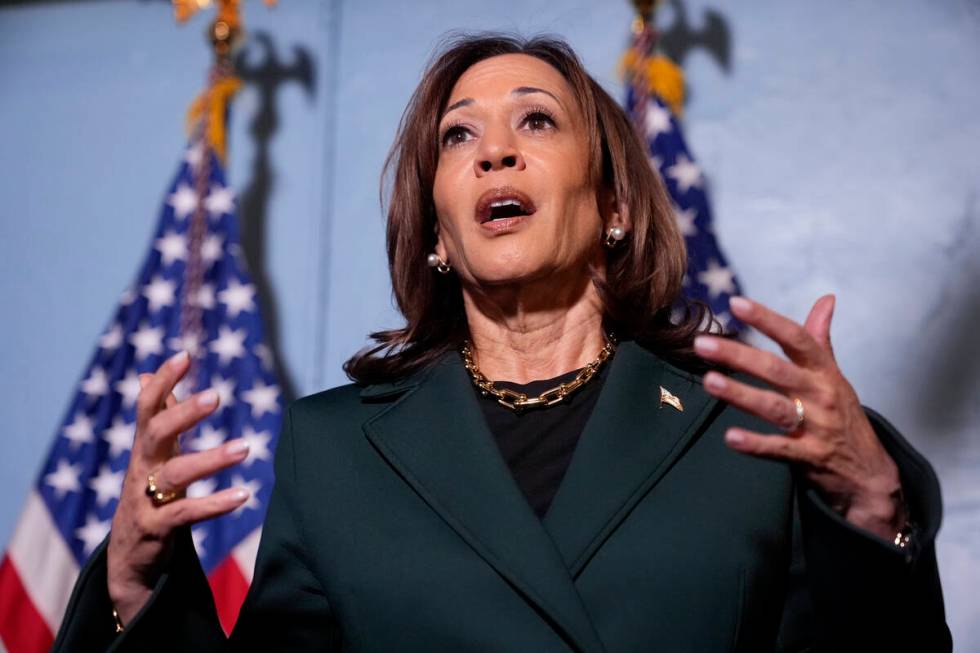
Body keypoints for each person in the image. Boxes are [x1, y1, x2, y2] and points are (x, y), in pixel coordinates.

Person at [52, 34, 951, 652]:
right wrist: (136, 584)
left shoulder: (741, 433)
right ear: (440, 233)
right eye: (458, 136)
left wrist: (873, 506)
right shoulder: (336, 451)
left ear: (614, 208)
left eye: (537, 120)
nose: (494, 153)